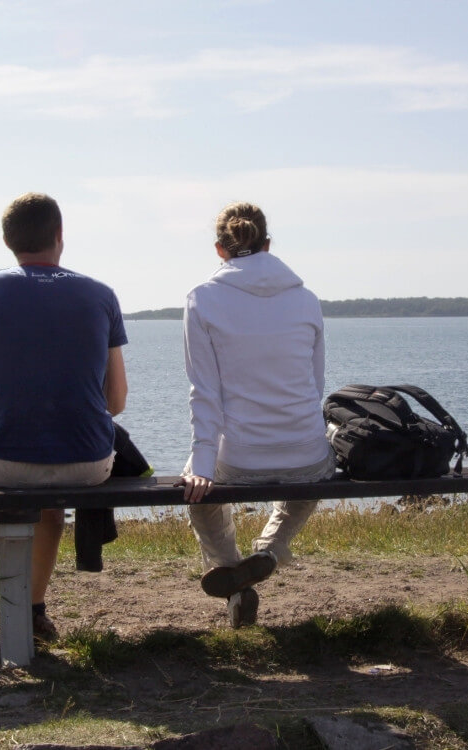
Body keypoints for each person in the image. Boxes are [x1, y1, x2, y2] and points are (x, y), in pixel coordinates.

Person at [0, 192, 128, 641]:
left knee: (12, 459)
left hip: (6, 462)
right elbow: (116, 402)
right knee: (52, 502)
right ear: (59, 236)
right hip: (89, 464)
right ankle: (33, 611)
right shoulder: (101, 294)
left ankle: (20, 611)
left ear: (8, 240)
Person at [179, 201, 336, 628]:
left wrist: (203, 464)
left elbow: (205, 393)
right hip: (305, 451)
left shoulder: (202, 300)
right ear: (268, 245)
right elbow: (315, 386)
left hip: (240, 460)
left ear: (219, 250)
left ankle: (234, 579)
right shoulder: (306, 300)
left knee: (198, 490)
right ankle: (269, 552)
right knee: (314, 472)